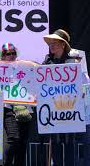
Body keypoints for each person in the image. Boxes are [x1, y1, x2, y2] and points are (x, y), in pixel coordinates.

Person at [42, 29, 78, 166]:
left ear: (63, 45)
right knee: (55, 142)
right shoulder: (47, 61)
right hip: (53, 109)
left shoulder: (72, 61)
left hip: (70, 108)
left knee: (69, 143)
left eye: (55, 43)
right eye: (50, 43)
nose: (51, 46)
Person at [0, 43, 32, 166]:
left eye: (13, 53)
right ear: (3, 56)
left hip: (25, 109)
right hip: (7, 108)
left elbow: (37, 71)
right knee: (13, 139)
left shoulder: (23, 67)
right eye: (8, 54)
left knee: (22, 143)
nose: (11, 56)